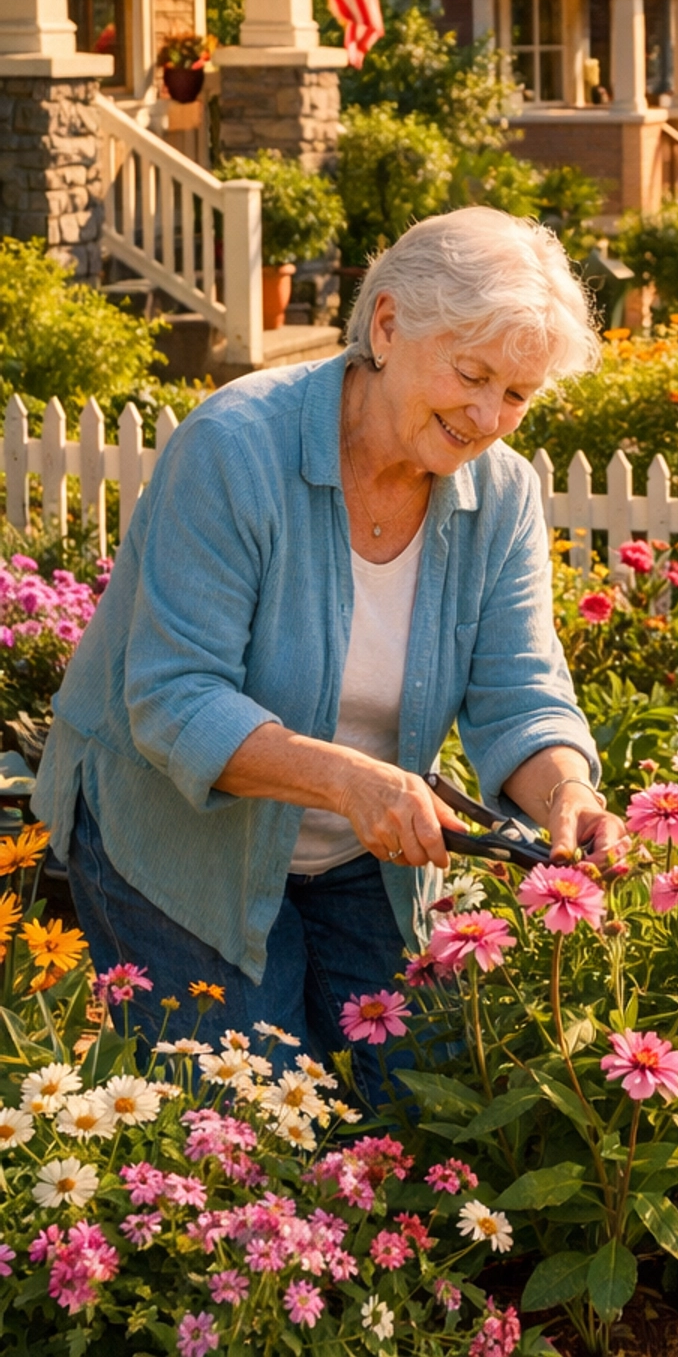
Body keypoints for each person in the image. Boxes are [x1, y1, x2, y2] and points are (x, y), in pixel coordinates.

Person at [35, 209, 622, 1092]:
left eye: (517, 395)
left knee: (411, 1111)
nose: (488, 417)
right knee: (251, 1123)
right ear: (386, 325)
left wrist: (568, 797)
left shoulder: (501, 496)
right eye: (472, 374)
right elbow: (176, 698)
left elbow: (521, 694)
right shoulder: (236, 449)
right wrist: (354, 780)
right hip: (179, 842)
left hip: (360, 856)